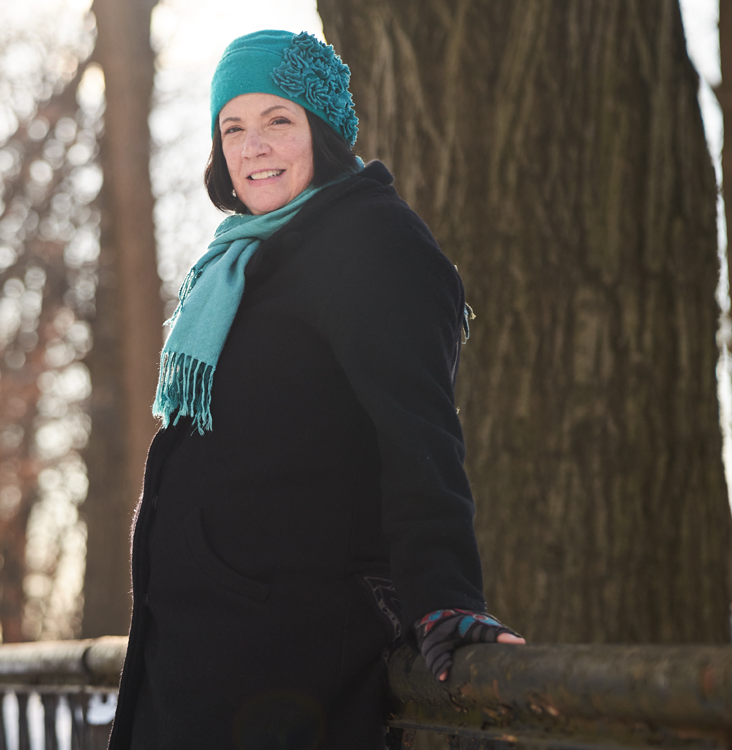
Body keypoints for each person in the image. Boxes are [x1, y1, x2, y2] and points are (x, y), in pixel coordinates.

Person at [108, 30, 524, 750]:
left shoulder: (369, 242)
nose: (252, 146)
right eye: (232, 127)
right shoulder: (243, 258)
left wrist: (446, 600)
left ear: (321, 132)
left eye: (278, 120)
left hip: (286, 655)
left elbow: (419, 430)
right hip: (197, 649)